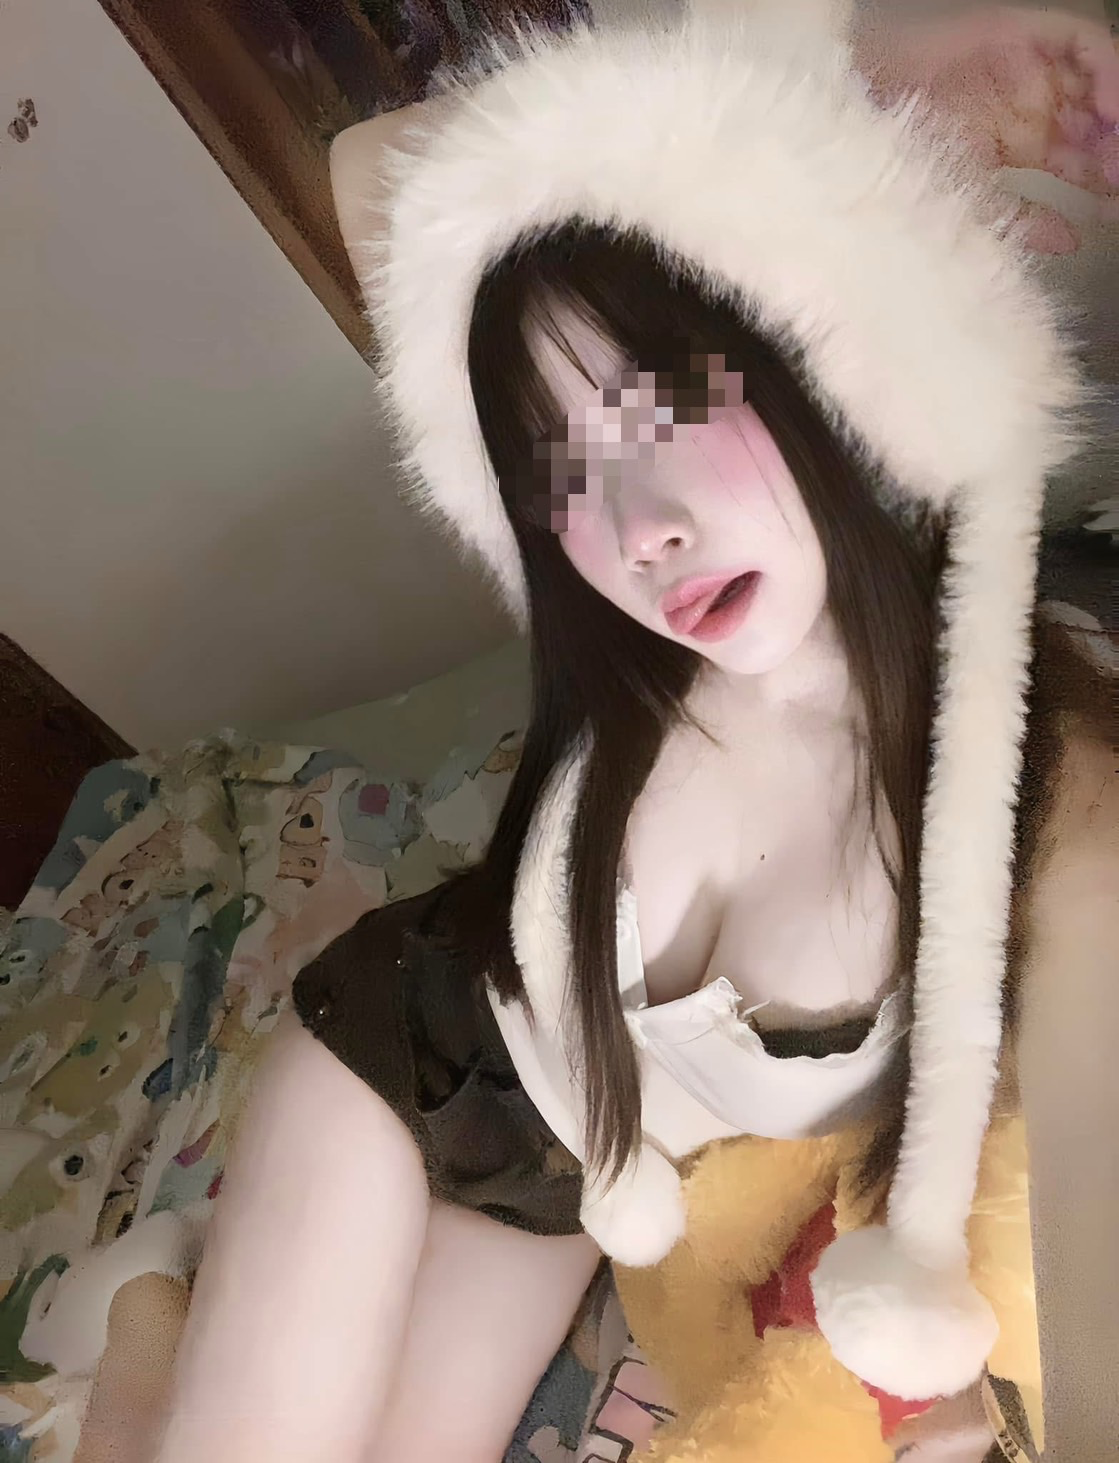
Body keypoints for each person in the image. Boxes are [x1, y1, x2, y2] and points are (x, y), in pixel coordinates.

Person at [153, 5, 1117, 1462]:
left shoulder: (1030, 767)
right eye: (564, 475)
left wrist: (832, 157)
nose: (638, 530)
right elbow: (372, 175)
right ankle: (144, 1327)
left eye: (666, 402)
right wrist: (846, 88)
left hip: (572, 1187)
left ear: (810, 344)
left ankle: (143, 1320)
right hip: (401, 1054)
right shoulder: (647, 664)